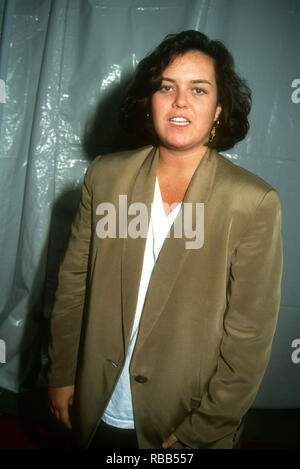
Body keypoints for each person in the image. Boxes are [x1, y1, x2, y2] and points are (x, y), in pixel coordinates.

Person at [47, 30, 283, 449]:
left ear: (218, 109)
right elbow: (73, 286)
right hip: (96, 404)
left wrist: (203, 428)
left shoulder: (251, 202)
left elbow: (249, 335)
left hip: (183, 421)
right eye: (166, 87)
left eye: (198, 89)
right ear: (149, 101)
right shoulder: (106, 178)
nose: (180, 101)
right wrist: (62, 373)